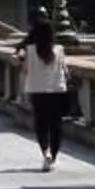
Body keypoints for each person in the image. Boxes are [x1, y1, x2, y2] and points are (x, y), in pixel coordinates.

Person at [20, 18, 72, 170]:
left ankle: (45, 152)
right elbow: (66, 72)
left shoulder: (30, 50)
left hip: (37, 91)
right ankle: (54, 156)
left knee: (41, 124)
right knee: (56, 125)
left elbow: (25, 70)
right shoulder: (59, 50)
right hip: (56, 91)